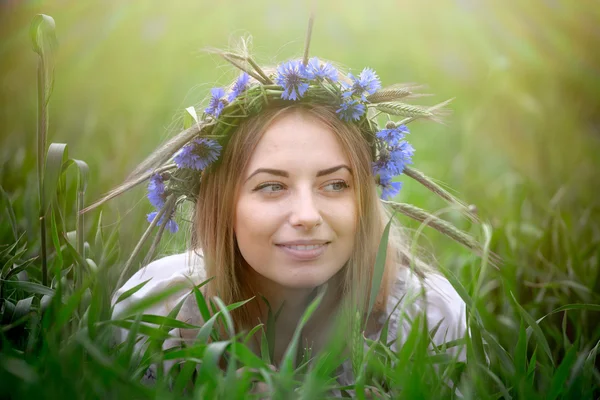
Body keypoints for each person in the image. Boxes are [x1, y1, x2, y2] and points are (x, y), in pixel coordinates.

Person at [106, 49, 470, 391]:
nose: (307, 216)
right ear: (220, 203)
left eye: (335, 184)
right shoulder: (156, 312)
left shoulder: (428, 320)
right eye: (271, 186)